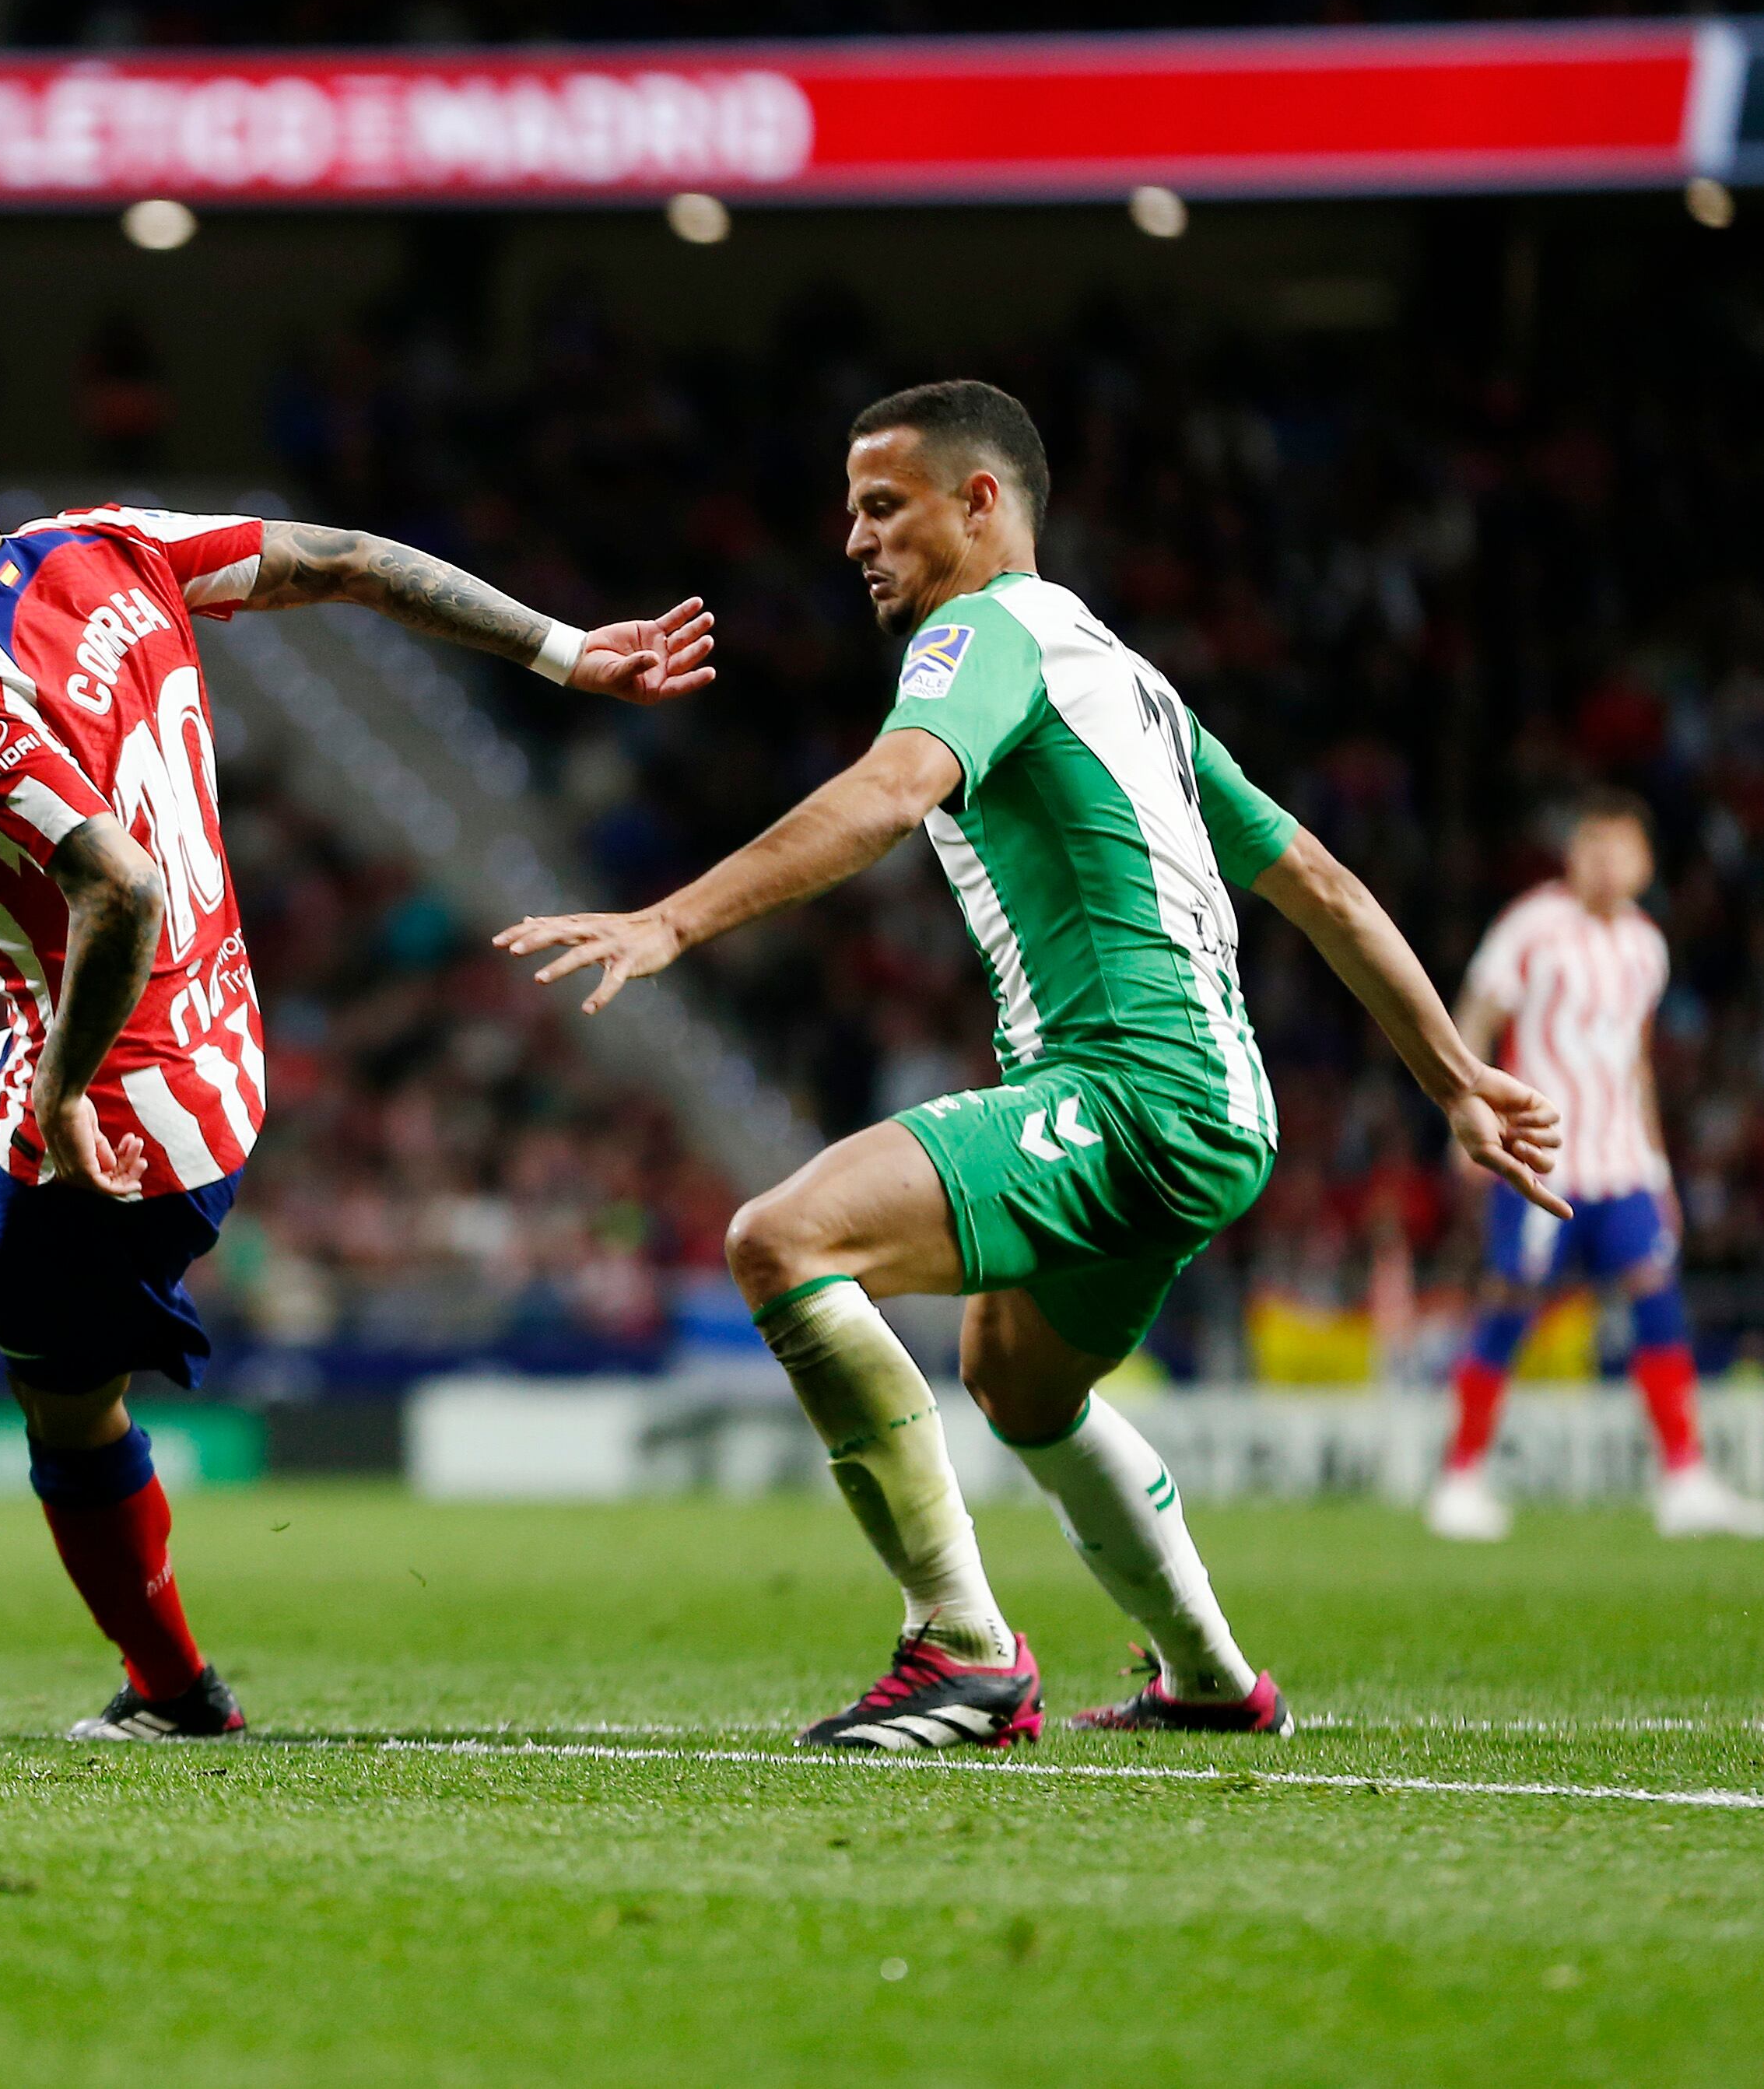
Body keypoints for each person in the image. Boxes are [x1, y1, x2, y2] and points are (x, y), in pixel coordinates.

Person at [0, 380, 716, 1740]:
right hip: (191, 1048)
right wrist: (561, 651)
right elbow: (347, 560)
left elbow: (116, 886)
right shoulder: (103, 544)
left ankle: (177, 1693)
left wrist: (61, 1091)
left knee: (68, 1413)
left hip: (108, 1116)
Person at [501, 379, 1564, 1748]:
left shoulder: (979, 632)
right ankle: (1208, 1679)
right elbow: (1317, 879)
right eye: (849, 511)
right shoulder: (1127, 676)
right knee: (1015, 1376)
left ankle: (962, 1649)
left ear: (979, 501)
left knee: (784, 1239)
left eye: (882, 505)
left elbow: (890, 790)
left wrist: (669, 918)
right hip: (1215, 1103)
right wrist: (1453, 1079)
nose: (854, 539)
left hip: (1132, 1085)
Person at [1426, 793, 1764, 1540]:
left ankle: (1684, 1480)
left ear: (1644, 864)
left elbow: (1635, 1060)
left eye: (1621, 849)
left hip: (1622, 1162)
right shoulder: (1531, 925)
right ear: (1571, 854)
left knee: (1657, 1298)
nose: (1606, 862)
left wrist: (1659, 1167)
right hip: (1541, 1156)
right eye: (1591, 846)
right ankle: (1461, 1477)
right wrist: (1465, 1113)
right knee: (1510, 1300)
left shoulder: (1647, 944)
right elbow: (1475, 1015)